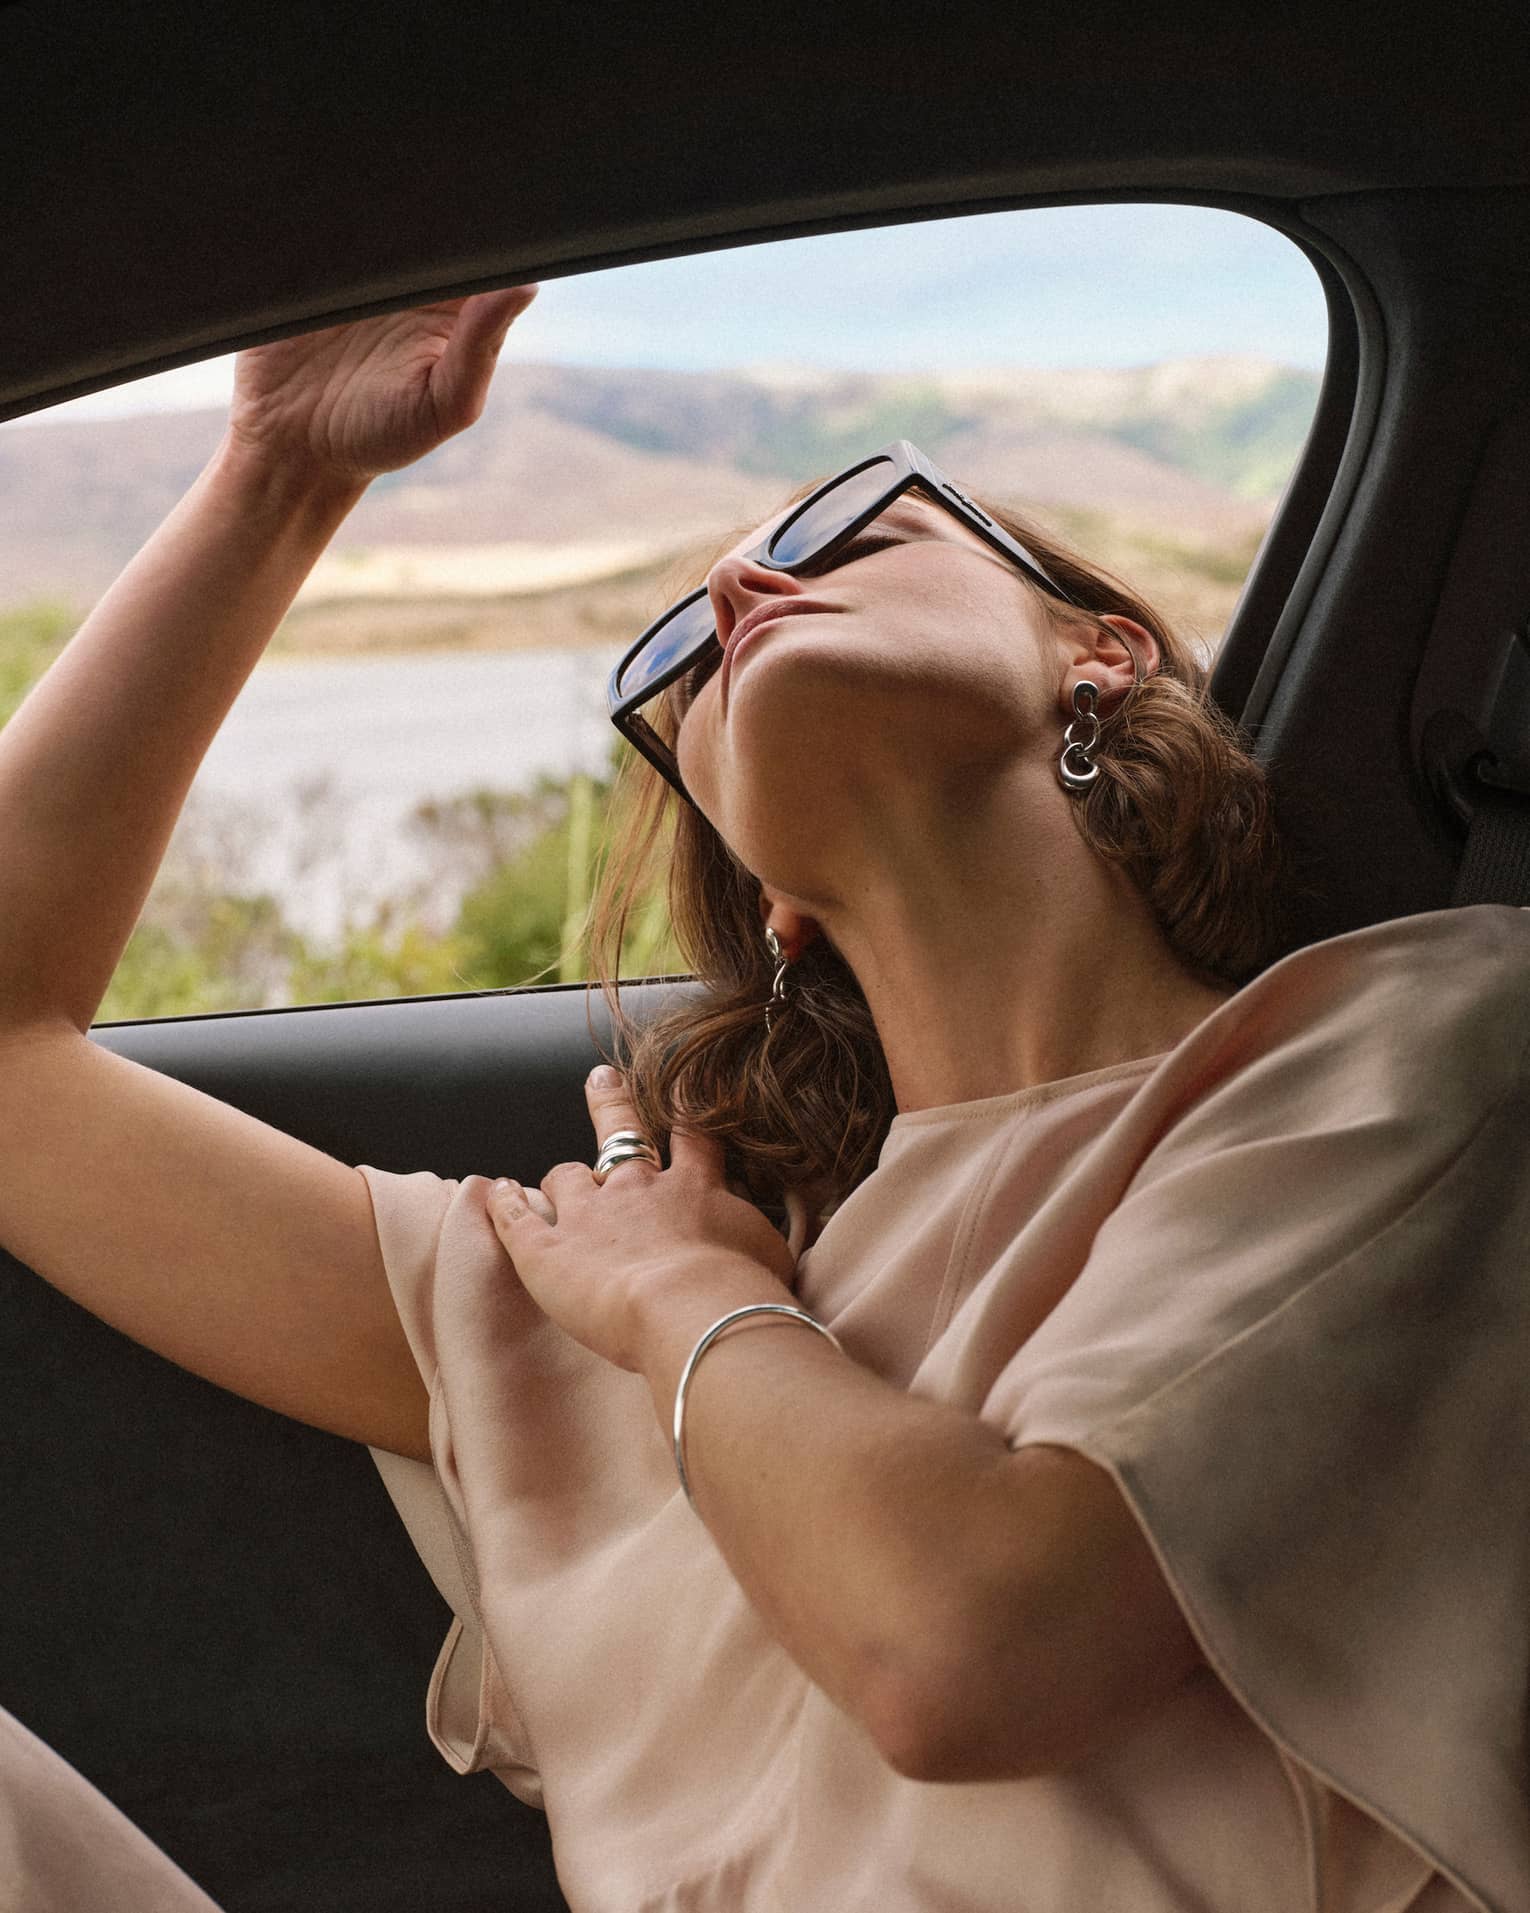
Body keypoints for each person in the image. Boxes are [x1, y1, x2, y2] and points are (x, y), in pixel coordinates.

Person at [0, 290, 1525, 1913]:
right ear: (762, 885)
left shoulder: (1415, 1042)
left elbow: (967, 1649)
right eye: (684, 660)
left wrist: (682, 1305)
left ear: (1100, 650)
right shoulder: (627, 1283)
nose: (739, 591)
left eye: (849, 534)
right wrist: (279, 475)